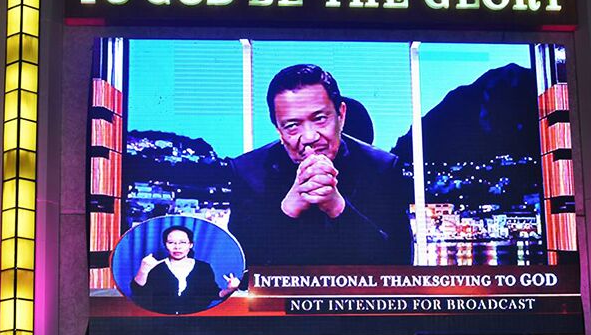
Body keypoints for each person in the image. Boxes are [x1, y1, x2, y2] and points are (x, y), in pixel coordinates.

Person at [228, 64, 412, 266]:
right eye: (292, 125)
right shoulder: (248, 172)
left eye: (320, 119)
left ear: (341, 115)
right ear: (278, 130)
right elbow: (241, 271)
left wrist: (337, 207)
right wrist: (288, 210)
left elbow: (400, 262)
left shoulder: (382, 168)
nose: (309, 137)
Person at [130, 225, 240, 314]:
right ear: (165, 245)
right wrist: (144, 270)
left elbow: (213, 294)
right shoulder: (155, 267)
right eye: (171, 243)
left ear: (190, 245)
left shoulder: (203, 268)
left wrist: (230, 289)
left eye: (182, 242)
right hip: (161, 322)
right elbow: (139, 294)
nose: (177, 247)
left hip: (196, 323)